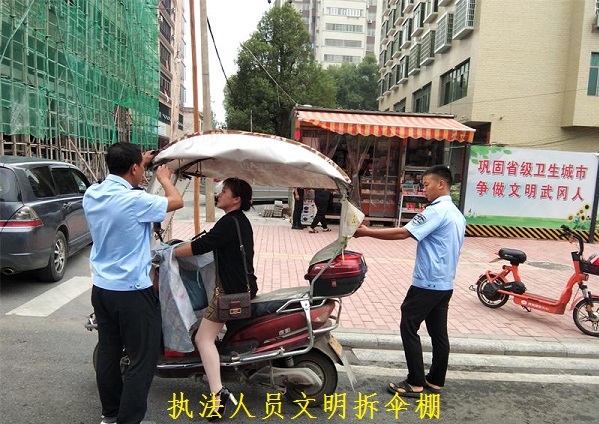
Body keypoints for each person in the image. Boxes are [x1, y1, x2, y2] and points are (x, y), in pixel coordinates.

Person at [83, 142, 184, 424]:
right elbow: (176, 201)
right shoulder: (135, 201)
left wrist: (143, 163)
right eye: (140, 166)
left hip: (102, 289)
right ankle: (128, 420)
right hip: (132, 293)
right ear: (133, 168)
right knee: (143, 358)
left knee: (109, 352)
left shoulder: (93, 193)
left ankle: (111, 415)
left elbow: (127, 181)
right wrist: (163, 178)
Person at [354, 165, 465, 397]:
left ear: (441, 184)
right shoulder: (456, 213)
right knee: (438, 333)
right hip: (445, 284)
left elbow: (404, 232)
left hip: (427, 283)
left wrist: (366, 232)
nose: (424, 190)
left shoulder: (436, 211)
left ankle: (415, 382)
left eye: (426, 185)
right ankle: (435, 380)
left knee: (408, 326)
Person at [173, 177, 258, 421]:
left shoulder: (230, 222)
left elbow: (202, 245)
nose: (219, 195)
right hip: (242, 286)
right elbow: (210, 241)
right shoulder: (239, 221)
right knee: (209, 334)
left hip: (230, 293)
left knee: (203, 338)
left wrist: (171, 252)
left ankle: (218, 393)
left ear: (236, 199)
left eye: (224, 191)